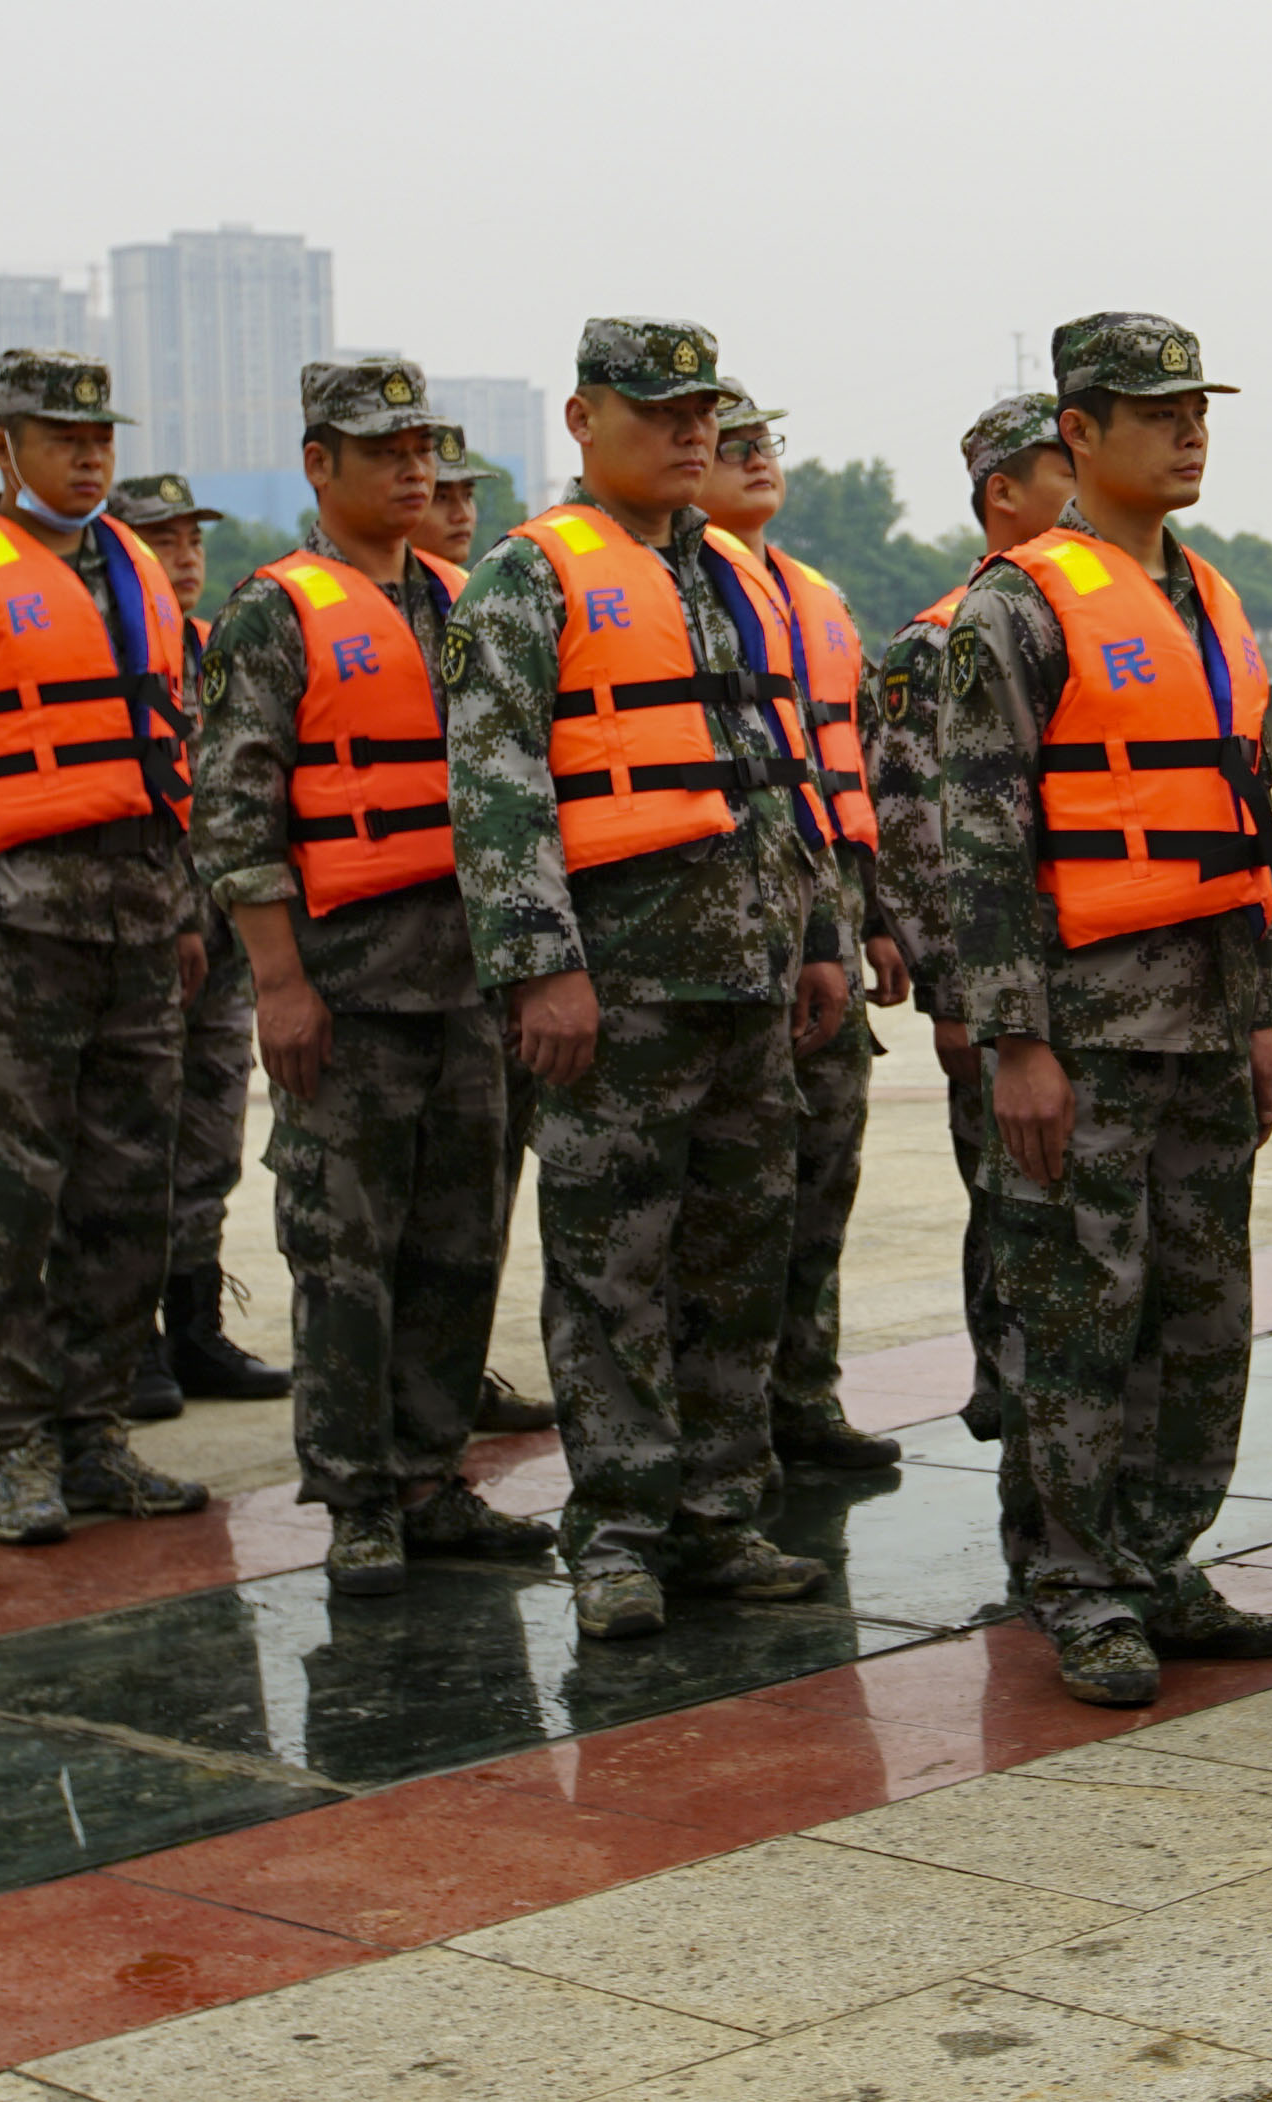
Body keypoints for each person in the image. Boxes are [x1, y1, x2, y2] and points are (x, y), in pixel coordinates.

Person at [441, 318, 849, 1643]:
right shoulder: (526, 576)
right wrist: (540, 967)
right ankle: (617, 1530)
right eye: (661, 410)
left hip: (747, 971)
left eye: (704, 413)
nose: (691, 433)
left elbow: (774, 771)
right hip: (618, 988)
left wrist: (821, 934)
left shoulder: (727, 574)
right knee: (611, 1264)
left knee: (739, 1259)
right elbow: (495, 795)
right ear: (582, 417)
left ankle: (723, 1515)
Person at [934, 314, 1272, 1706]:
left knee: (1202, 1315)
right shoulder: (1015, 608)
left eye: (1197, 407)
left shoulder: (1209, 599)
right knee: (1077, 1315)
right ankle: (1078, 1580)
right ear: (1078, 432)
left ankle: (1161, 1554)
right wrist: (1016, 1043)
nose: (1188, 430)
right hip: (1081, 1031)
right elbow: (981, 846)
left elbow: (1236, 819)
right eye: (1155, 412)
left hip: (1206, 1023)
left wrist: (1263, 1014)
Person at [194, 357, 552, 1593]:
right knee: (346, 1258)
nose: (410, 470)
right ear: (319, 465)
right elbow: (234, 821)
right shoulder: (272, 612)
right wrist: (279, 984)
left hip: (469, 987)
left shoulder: (470, 602)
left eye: (421, 449)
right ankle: (356, 1500)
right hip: (347, 993)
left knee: (460, 1249)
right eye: (382, 450)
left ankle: (432, 1474)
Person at [0, 350, 213, 1547]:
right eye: (58, 435)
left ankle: (98, 1427)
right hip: (10, 935)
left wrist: (181, 909)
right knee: (4, 1195)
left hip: (132, 930)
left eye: (99, 435)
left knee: (126, 1189)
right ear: (0, 446)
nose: (87, 453)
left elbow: (176, 755)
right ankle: (20, 1441)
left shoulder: (138, 570)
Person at [691, 387, 905, 1473]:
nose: (754, 459)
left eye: (765, 441)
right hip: (723, 934)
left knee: (823, 1171)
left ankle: (801, 1388)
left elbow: (850, 764)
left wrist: (872, 917)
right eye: (732, 446)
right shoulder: (673, 590)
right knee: (735, 1199)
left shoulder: (812, 596)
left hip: (827, 916)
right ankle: (720, 1429)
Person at [860, 392, 1069, 1500]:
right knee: (1011, 1202)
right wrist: (954, 992)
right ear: (1003, 492)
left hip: (1101, 981)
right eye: (1058, 468)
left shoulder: (1118, 615)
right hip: (996, 992)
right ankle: (1009, 1385)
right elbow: (914, 831)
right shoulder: (936, 642)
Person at [108, 470, 292, 1418]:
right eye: (158, 540)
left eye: (189, 540)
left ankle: (194, 1327)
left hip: (220, 934)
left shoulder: (220, 651)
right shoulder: (104, 653)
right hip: (136, 934)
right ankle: (124, 1339)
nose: (182, 558)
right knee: (130, 1137)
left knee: (209, 1134)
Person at [421, 445, 557, 1444]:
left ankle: (453, 1381)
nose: (457, 507)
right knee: (379, 1218)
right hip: (381, 954)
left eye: (470, 491)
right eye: (441, 488)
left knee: (476, 1201)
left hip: (487, 956)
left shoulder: (489, 603)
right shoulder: (291, 609)